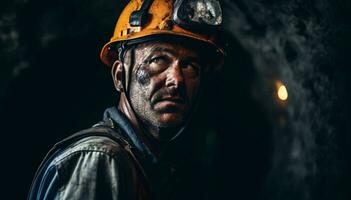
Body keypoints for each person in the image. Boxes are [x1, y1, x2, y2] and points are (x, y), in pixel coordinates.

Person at [28, 0, 225, 199]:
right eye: (158, 60)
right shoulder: (99, 158)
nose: (177, 79)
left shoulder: (142, 165)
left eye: (190, 66)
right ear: (120, 76)